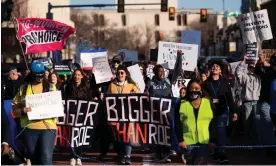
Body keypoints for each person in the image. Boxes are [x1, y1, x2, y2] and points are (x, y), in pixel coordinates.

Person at [12, 61, 57, 165]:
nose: (40, 76)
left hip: (48, 128)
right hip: (30, 128)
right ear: (31, 73)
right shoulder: (23, 89)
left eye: (42, 73)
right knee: (35, 159)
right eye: (37, 73)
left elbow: (59, 107)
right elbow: (15, 109)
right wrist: (23, 111)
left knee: (46, 157)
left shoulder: (50, 87)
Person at [203, 60, 238, 164]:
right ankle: (216, 152)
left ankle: (223, 154)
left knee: (221, 131)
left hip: (222, 111)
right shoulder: (206, 83)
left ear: (220, 70)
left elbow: (230, 98)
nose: (214, 67)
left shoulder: (225, 82)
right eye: (213, 66)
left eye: (217, 66)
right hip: (209, 112)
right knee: (212, 132)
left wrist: (234, 111)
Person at [106, 65, 140, 165]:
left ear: (126, 74)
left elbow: (139, 97)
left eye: (122, 73)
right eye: (118, 73)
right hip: (116, 116)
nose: (120, 75)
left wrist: (135, 95)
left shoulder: (132, 85)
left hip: (128, 116)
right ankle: (121, 155)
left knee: (128, 135)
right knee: (118, 136)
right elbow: (107, 99)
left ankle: (128, 156)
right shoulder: (112, 85)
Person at [176, 79, 216, 164]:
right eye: (191, 88)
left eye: (196, 88)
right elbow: (177, 123)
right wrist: (180, 140)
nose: (194, 90)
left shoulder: (208, 103)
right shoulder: (181, 103)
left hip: (204, 142)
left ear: (201, 90)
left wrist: (212, 140)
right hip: (187, 143)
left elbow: (213, 123)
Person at [65, 69, 99, 166]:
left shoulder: (86, 87)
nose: (76, 76)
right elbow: (66, 99)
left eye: (78, 75)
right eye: (75, 75)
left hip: (82, 116)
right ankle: (72, 156)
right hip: (71, 115)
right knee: (72, 136)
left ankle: (78, 157)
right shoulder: (69, 86)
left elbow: (89, 100)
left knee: (80, 136)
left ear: (82, 76)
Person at [235, 56, 261, 145]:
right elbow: (238, 72)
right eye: (250, 67)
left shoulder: (259, 77)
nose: (252, 68)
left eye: (253, 67)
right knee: (247, 123)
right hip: (247, 103)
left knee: (257, 123)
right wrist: (243, 61)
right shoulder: (245, 76)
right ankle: (248, 142)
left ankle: (256, 142)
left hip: (257, 102)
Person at [255, 53, 276, 157]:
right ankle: (268, 146)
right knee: (265, 125)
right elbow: (257, 70)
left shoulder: (272, 70)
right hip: (264, 101)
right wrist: (260, 60)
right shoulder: (267, 71)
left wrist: (269, 66)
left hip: (272, 103)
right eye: (273, 60)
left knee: (269, 125)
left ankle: (271, 147)